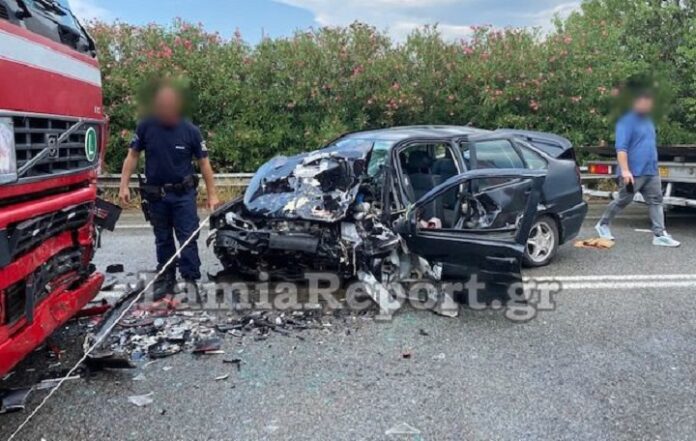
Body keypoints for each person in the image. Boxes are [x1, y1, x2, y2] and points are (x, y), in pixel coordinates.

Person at [119, 83, 220, 299]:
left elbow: (204, 163)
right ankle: (167, 280)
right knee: (162, 238)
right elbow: (132, 156)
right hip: (156, 195)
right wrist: (123, 185)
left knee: (187, 238)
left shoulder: (190, 131)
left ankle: (190, 281)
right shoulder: (146, 126)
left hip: (183, 195)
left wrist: (212, 194)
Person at [595, 91, 680, 247]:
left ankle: (659, 235)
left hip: (651, 171)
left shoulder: (649, 121)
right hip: (633, 173)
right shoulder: (625, 122)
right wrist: (625, 171)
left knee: (656, 201)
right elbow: (621, 149)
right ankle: (603, 224)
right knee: (623, 200)